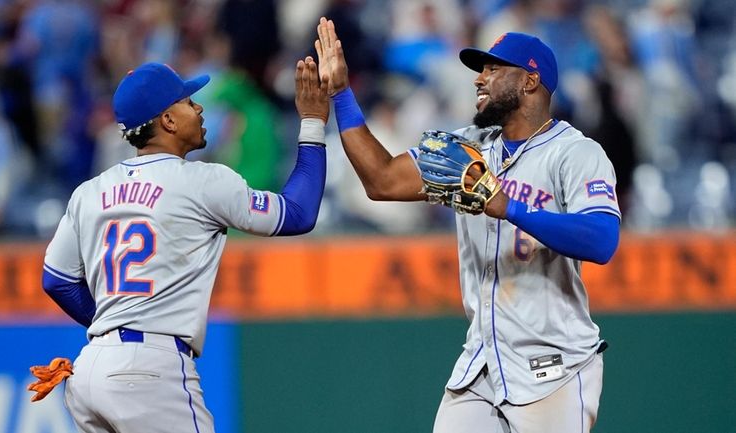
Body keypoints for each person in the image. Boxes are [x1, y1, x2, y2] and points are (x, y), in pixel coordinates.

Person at [315, 18, 620, 433]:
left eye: (494, 69)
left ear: (530, 81)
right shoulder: (466, 150)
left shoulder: (575, 153)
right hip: (481, 365)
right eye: (482, 69)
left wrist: (508, 206)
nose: (480, 78)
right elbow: (382, 180)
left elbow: (602, 241)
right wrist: (341, 94)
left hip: (555, 367)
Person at [38, 58, 329, 432]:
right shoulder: (201, 181)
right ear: (168, 121)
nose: (199, 106)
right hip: (149, 374)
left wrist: (113, 328)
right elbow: (299, 214)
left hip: (91, 368)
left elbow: (56, 280)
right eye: (188, 101)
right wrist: (313, 122)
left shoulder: (89, 192)